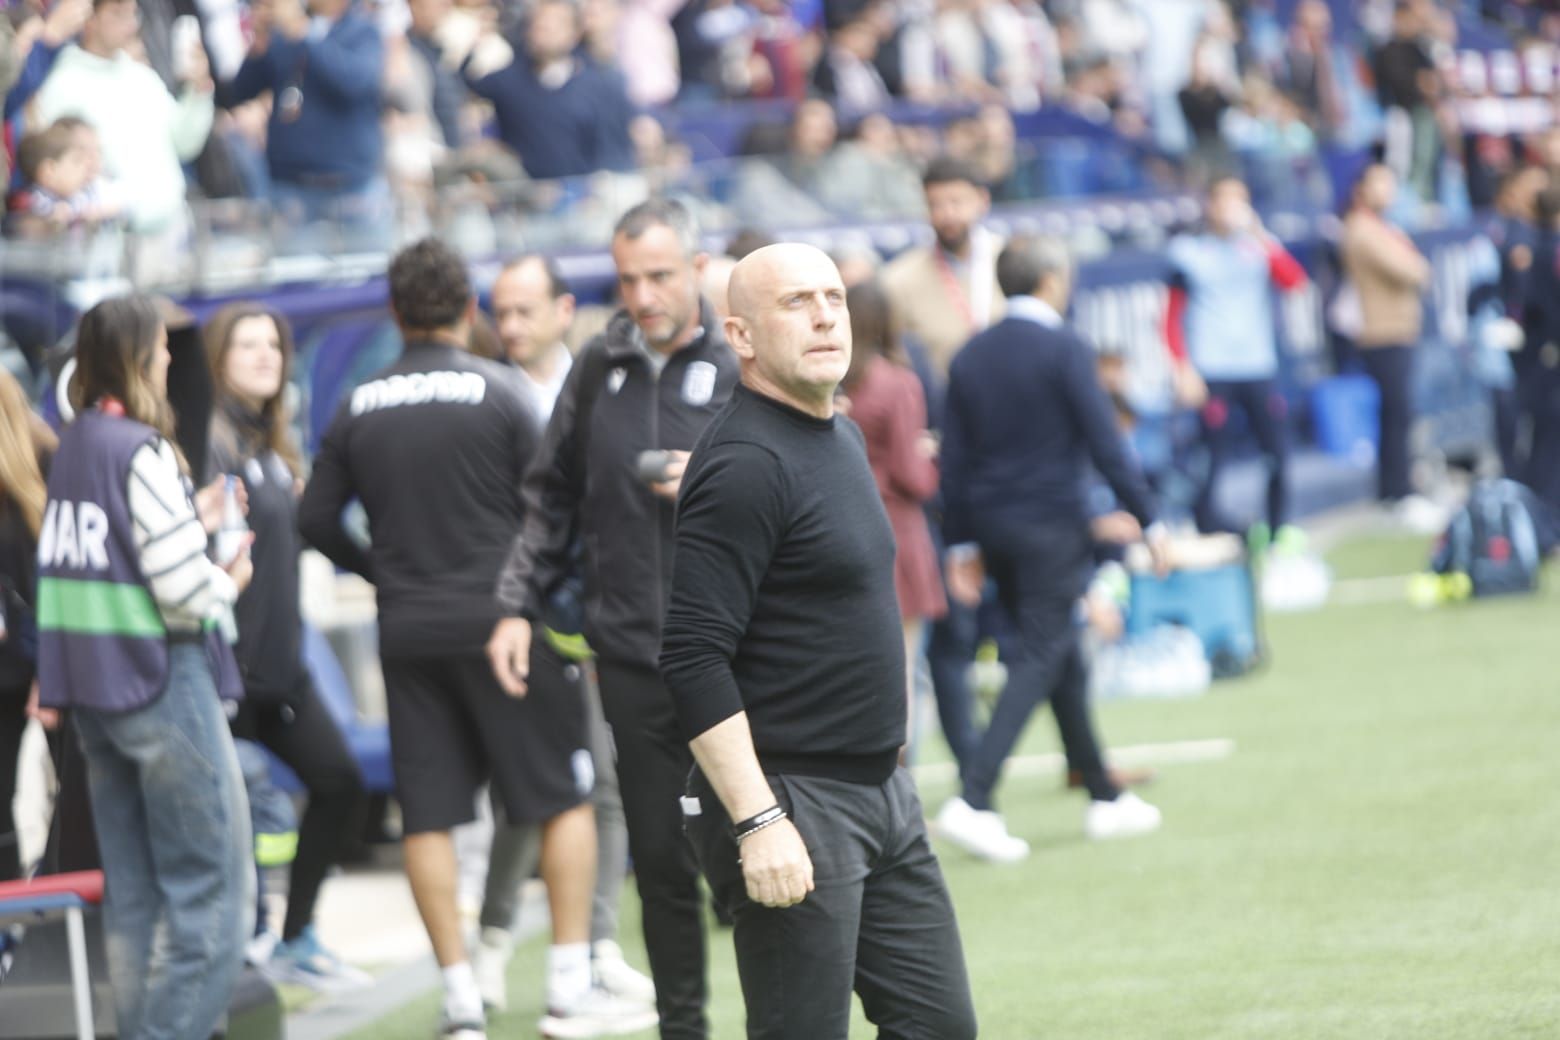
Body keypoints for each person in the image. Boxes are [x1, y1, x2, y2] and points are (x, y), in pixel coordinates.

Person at [300, 239, 649, 1039]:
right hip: (505, 627)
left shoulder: (359, 405)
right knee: (562, 796)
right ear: (467, 309)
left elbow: (316, 517)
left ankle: (459, 1000)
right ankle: (568, 987)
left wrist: (380, 570)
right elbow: (556, 501)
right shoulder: (501, 392)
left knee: (429, 815)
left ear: (394, 313)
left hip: (410, 629)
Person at [658, 243, 978, 1040]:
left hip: (880, 790)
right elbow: (693, 656)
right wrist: (759, 821)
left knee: (940, 1026)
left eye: (832, 296)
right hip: (792, 798)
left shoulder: (831, 431)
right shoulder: (742, 462)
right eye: (796, 302)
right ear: (741, 335)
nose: (826, 315)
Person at [488, 199, 740, 1040]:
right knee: (661, 865)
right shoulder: (602, 363)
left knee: (759, 856)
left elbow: (805, 481)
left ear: (697, 270)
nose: (642, 294)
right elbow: (549, 494)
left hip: (742, 656)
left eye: (659, 275)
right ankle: (684, 1029)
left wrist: (705, 478)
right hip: (632, 652)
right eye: (628, 278)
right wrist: (518, 605)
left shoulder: (742, 358)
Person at [36, 295, 253, 1040]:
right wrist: (229, 576)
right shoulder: (139, 447)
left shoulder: (76, 443)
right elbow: (184, 589)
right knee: (215, 900)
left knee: (137, 903)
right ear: (136, 358)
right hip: (164, 682)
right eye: (159, 348)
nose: (167, 359)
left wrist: (189, 523)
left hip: (97, 696)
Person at [936, 236, 1165, 860]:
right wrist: (1151, 519)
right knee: (1041, 652)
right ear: (1052, 280)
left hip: (992, 527)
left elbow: (952, 461)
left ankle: (1105, 796)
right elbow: (1107, 442)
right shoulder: (1065, 347)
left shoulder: (970, 355)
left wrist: (959, 544)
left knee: (1060, 655)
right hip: (1053, 527)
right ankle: (975, 798)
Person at [471, 255, 656, 1014]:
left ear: (562, 309)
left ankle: (597, 946)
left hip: (600, 614)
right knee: (532, 793)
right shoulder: (488, 394)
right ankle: (491, 940)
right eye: (501, 312)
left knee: (604, 785)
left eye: (524, 310)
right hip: (521, 618)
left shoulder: (603, 384)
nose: (510, 326)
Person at [202, 303, 370, 991]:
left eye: (273, 344)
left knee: (342, 785)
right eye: (247, 345)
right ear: (218, 358)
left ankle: (293, 935)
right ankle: (241, 950)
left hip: (282, 669)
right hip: (227, 674)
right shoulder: (210, 443)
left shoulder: (271, 446)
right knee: (230, 825)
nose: (265, 356)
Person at [1166, 175, 1308, 549]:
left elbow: (1295, 282)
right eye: (1225, 200)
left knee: (1276, 453)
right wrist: (1182, 366)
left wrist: (1259, 235)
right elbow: (1170, 315)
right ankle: (1209, 531)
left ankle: (1278, 532)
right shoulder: (1188, 251)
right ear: (1210, 205)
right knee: (1210, 459)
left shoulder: (1258, 246)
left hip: (1257, 366)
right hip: (1212, 369)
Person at [838, 280, 944, 749]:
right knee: (902, 674)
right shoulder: (897, 382)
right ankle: (900, 799)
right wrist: (931, 458)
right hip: (898, 536)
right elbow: (911, 475)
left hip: (840, 532)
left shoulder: (830, 382)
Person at [30, 0, 214, 236]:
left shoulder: (142, 76)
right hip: (112, 242)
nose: (130, 24)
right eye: (118, 14)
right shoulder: (61, 84)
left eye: (133, 14)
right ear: (89, 17)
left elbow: (185, 144)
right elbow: (55, 176)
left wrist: (198, 91)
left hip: (174, 231)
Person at [222, 0, 388, 250]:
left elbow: (354, 84)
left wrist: (304, 34)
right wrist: (259, 45)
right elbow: (240, 92)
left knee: (368, 276)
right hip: (293, 191)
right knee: (297, 281)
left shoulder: (363, 30)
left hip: (354, 189)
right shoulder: (281, 36)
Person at [1339, 163, 1436, 525]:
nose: (1389, 191)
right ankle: (1398, 490)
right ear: (1361, 189)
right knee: (1397, 412)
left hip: (1398, 329)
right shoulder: (1361, 229)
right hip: (1381, 332)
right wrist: (1415, 265)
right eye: (1381, 184)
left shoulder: (1381, 227)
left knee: (1398, 413)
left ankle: (1396, 487)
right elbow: (1413, 270)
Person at [461, 0, 635, 180]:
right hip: (524, 194)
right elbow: (463, 87)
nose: (544, 29)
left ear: (575, 32)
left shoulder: (598, 85)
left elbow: (612, 151)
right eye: (538, 23)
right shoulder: (508, 81)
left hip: (581, 193)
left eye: (555, 24)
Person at [0, 369, 57, 882]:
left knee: (23, 815)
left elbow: (60, 587)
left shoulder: (44, 464)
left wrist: (52, 671)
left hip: (25, 680)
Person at [881, 156, 1005, 379]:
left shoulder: (1010, 262)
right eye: (935, 205)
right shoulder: (899, 280)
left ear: (983, 200)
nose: (947, 215)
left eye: (956, 202)